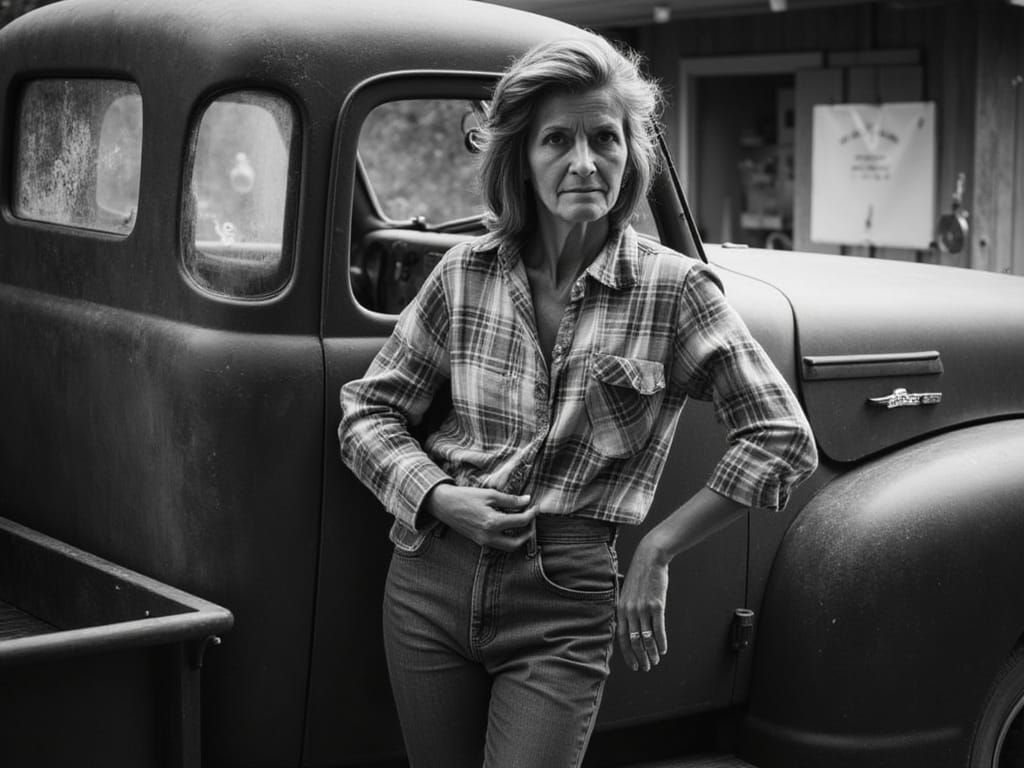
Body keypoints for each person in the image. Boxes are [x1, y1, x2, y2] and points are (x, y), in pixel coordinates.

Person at [338, 34, 817, 768]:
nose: (584, 162)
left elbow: (782, 435)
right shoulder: (464, 275)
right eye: (557, 140)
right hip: (428, 574)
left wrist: (658, 548)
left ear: (631, 154)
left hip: (565, 598)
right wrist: (437, 496)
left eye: (605, 138)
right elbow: (367, 413)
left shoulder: (675, 289)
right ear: (522, 159)